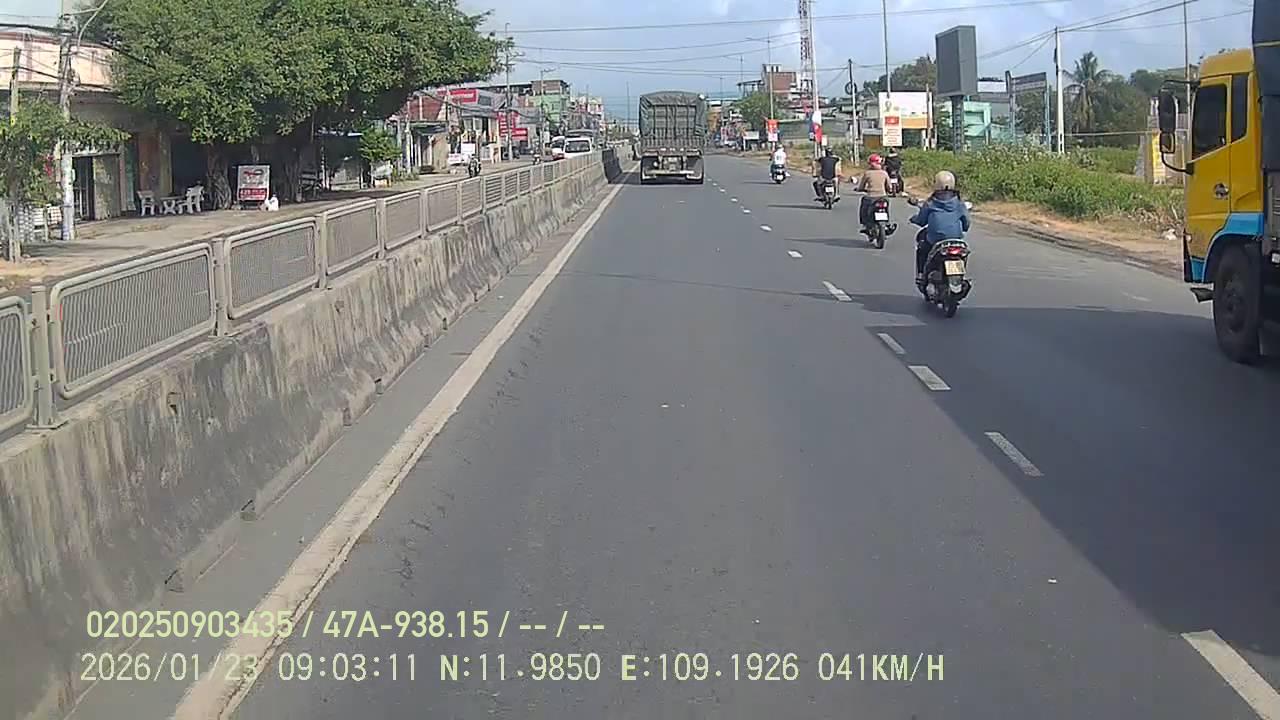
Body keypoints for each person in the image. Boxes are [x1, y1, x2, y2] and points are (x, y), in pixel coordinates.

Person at [910, 170, 971, 282]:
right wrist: (964, 228)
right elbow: (966, 222)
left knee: (922, 247)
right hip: (956, 239)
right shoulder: (959, 203)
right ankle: (961, 276)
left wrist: (914, 219)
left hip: (935, 240)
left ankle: (921, 274)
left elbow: (921, 221)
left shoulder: (931, 203)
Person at [857, 154, 892, 229]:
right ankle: (888, 223)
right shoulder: (884, 173)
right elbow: (889, 187)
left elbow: (861, 186)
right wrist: (888, 191)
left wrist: (860, 189)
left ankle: (864, 223)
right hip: (883, 197)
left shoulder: (867, 173)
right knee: (886, 208)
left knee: (864, 208)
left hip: (870, 197)